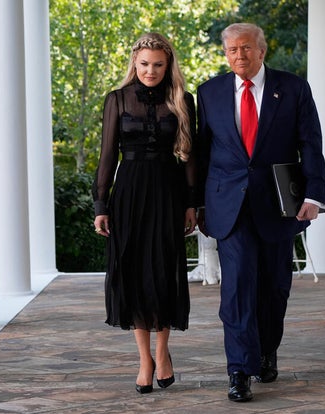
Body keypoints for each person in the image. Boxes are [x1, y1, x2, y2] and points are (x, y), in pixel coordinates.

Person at [196, 23, 325, 402]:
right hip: (230, 206)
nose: (239, 55)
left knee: (274, 287)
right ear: (226, 54)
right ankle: (239, 370)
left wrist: (314, 195)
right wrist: (197, 203)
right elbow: (202, 152)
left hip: (279, 205)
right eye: (232, 50)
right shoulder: (209, 92)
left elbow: (310, 143)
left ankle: (267, 350)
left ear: (262, 50)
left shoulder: (293, 88)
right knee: (237, 288)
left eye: (246, 48)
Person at [92, 33, 198, 394]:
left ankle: (163, 352)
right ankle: (144, 360)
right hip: (129, 195)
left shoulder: (182, 99)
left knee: (163, 273)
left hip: (168, 194)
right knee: (134, 274)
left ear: (168, 66)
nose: (150, 71)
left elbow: (191, 157)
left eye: (158, 65)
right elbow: (108, 155)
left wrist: (191, 203)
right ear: (134, 63)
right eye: (144, 64)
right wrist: (101, 204)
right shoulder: (117, 99)